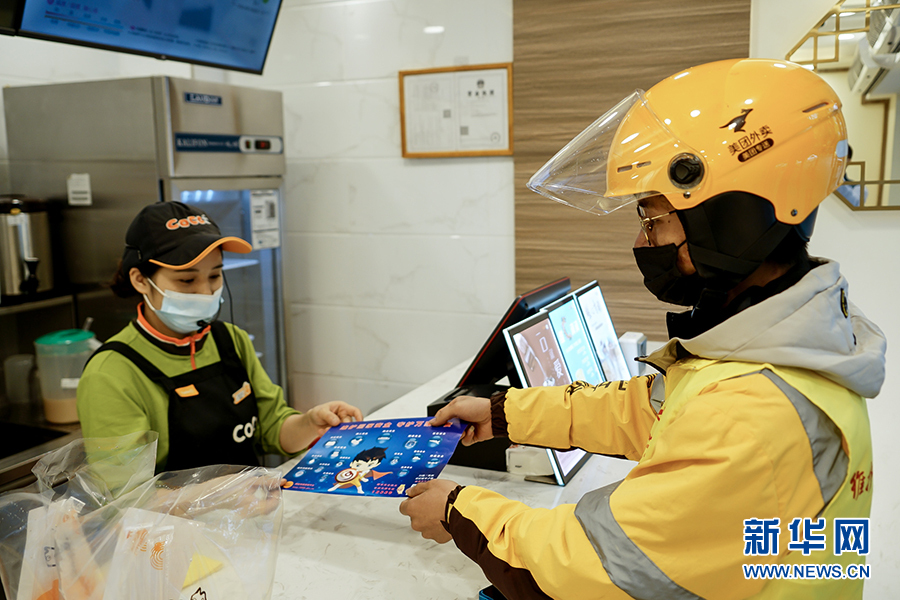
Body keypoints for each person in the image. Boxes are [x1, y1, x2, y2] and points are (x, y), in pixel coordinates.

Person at [399, 58, 886, 599]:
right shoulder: (778, 338)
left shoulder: (751, 411)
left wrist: (459, 510)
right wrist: (504, 413)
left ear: (730, 216)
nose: (642, 242)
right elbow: (650, 412)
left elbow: (597, 568)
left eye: (653, 219)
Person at [77, 201, 362, 472]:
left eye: (214, 276)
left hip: (251, 505)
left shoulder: (231, 340)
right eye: (187, 280)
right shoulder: (111, 373)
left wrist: (310, 423)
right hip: (191, 512)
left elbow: (272, 429)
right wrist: (223, 495)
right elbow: (126, 494)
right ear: (140, 280)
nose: (206, 292)